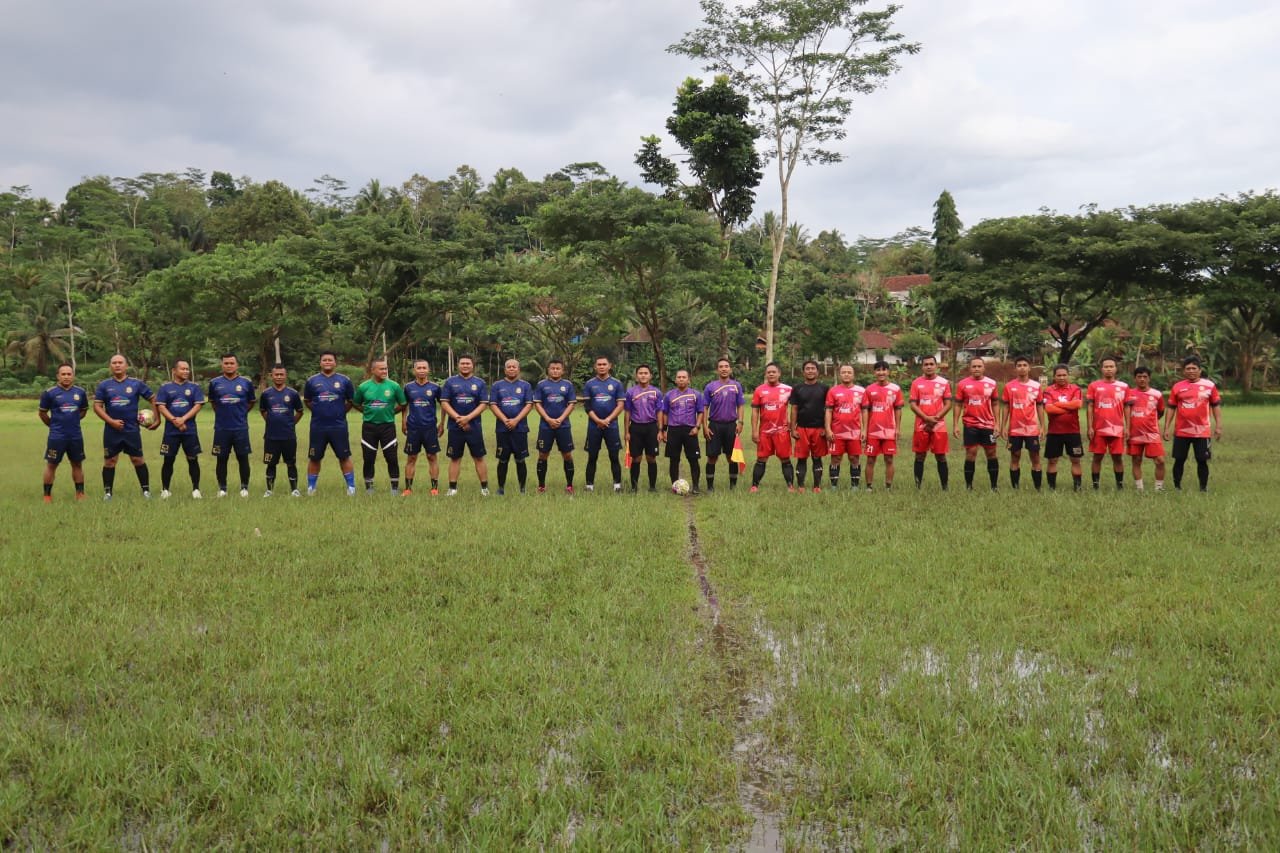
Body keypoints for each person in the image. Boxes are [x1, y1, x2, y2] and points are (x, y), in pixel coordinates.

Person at [92, 353, 158, 500]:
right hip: (111, 430)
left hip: (131, 430)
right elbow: (97, 406)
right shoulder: (104, 385)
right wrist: (111, 421)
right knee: (110, 461)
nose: (117, 365)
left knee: (138, 459)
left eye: (120, 362)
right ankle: (108, 493)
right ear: (110, 366)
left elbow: (154, 399)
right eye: (114, 363)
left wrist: (156, 419)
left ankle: (146, 491)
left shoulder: (136, 384)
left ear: (126, 365)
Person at [1162, 356, 1222, 492]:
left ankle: (1203, 488)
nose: (1191, 371)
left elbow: (1216, 406)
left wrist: (1218, 426)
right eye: (1188, 368)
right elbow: (1171, 408)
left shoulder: (1209, 386)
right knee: (1179, 459)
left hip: (1202, 432)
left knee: (1202, 460)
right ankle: (1177, 487)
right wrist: (1167, 427)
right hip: (1181, 431)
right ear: (1184, 371)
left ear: (1200, 370)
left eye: (1194, 368)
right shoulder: (1177, 387)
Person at [303, 350, 357, 496]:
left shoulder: (344, 380)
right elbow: (307, 401)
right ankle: (311, 488)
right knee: (314, 457)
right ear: (320, 362)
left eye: (330, 360)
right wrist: (319, 411)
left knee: (344, 456)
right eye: (324, 360)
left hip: (338, 426)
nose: (327, 362)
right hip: (318, 426)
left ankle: (351, 487)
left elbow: (351, 401)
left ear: (335, 363)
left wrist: (339, 411)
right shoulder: (312, 381)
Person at [353, 357, 407, 494]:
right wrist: (367, 412)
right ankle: (369, 488)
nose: (384, 371)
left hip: (388, 427)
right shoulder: (364, 386)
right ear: (373, 370)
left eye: (386, 368)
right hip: (369, 428)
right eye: (381, 368)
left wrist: (391, 413)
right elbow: (356, 403)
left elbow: (403, 404)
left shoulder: (394, 386)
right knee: (369, 458)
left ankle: (394, 488)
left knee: (392, 458)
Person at [154, 359, 205, 499]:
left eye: (187, 369)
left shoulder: (194, 387)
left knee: (192, 459)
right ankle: (165, 490)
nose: (186, 371)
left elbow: (197, 405)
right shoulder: (165, 388)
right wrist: (174, 420)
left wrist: (183, 419)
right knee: (168, 459)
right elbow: (161, 406)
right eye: (182, 369)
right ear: (174, 371)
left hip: (189, 430)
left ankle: (196, 489)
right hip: (171, 431)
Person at [38, 362, 89, 502]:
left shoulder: (80, 392)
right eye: (63, 374)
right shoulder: (49, 393)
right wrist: (53, 425)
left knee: (77, 464)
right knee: (51, 464)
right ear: (58, 376)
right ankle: (47, 495)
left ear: (73, 376)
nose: (66, 376)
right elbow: (42, 414)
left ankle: (80, 493)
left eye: (69, 374)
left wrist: (73, 421)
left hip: (75, 436)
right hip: (57, 437)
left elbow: (83, 410)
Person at [208, 353, 256, 497]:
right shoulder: (214, 383)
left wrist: (240, 413)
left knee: (243, 457)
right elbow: (213, 403)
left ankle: (244, 488)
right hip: (222, 428)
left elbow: (251, 402)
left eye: (231, 363)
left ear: (237, 365)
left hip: (240, 428)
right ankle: (222, 488)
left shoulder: (246, 383)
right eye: (226, 363)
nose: (229, 366)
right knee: (221, 458)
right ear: (222, 365)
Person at [440, 354, 490, 496]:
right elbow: (444, 402)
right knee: (455, 458)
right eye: (463, 363)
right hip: (455, 427)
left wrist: (468, 418)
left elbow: (483, 404)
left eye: (468, 363)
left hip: (474, 426)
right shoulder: (450, 382)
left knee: (479, 457)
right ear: (458, 365)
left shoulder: (479, 383)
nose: (465, 366)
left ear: (472, 365)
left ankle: (484, 488)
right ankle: (452, 488)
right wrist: (457, 418)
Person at [488, 357, 533, 495]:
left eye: (514, 367)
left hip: (520, 429)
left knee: (520, 459)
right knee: (503, 459)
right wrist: (505, 420)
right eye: (509, 367)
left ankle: (522, 489)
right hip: (502, 429)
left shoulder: (525, 386)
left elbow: (529, 404)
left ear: (518, 370)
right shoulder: (497, 385)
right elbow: (493, 404)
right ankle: (501, 488)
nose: (512, 369)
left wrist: (516, 420)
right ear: (505, 370)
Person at [953, 356, 999, 490]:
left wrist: (997, 423)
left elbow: (995, 403)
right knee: (971, 453)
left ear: (984, 368)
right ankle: (969, 486)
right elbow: (958, 405)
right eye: (974, 366)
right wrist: (955, 424)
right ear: (970, 368)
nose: (977, 369)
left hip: (988, 425)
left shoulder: (992, 383)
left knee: (991, 453)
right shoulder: (962, 384)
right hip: (970, 424)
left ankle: (994, 486)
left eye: (979, 366)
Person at [259, 363, 304, 497]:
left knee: (291, 463)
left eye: (281, 374)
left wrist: (291, 423)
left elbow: (300, 412)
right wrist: (272, 422)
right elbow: (263, 411)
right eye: (276, 374)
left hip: (288, 436)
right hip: (271, 437)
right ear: (271, 376)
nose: (279, 377)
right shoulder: (266, 394)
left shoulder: (293, 394)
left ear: (285, 376)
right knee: (271, 463)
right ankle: (269, 490)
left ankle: (294, 489)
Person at [582, 356, 626, 493]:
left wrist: (607, 420)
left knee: (614, 456)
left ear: (609, 366)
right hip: (594, 426)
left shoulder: (617, 383)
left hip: (611, 426)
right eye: (599, 364)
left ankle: (617, 485)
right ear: (595, 367)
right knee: (592, 456)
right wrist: (598, 421)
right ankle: (589, 486)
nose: (601, 366)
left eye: (604, 364)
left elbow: (620, 405)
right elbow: (587, 407)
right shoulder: (589, 384)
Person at [534, 359, 577, 494]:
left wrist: (560, 419)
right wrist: (548, 419)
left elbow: (571, 404)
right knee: (543, 454)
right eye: (552, 368)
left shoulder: (567, 385)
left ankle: (569, 485)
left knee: (567, 455)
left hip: (563, 426)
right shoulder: (542, 385)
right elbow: (537, 404)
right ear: (548, 370)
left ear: (563, 371)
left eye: (558, 368)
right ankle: (541, 486)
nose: (555, 371)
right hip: (545, 426)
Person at [1000, 355, 1043, 490]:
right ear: (1015, 369)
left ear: (1029, 368)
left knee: (1035, 456)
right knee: (1015, 456)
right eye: (1019, 365)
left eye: (1025, 365)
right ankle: (1015, 488)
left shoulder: (1036, 386)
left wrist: (1042, 426)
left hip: (1032, 429)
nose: (1022, 368)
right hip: (1015, 429)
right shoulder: (1009, 386)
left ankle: (1037, 488)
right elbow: (1006, 407)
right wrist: (1003, 426)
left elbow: (1040, 406)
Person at [909, 355, 952, 490]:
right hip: (921, 424)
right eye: (926, 364)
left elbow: (948, 403)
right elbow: (912, 404)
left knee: (940, 455)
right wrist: (926, 418)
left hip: (939, 425)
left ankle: (944, 487)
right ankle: (917, 486)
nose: (928, 366)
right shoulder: (916, 383)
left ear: (936, 366)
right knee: (920, 455)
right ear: (922, 367)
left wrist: (936, 418)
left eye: (931, 364)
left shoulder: (944, 383)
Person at [750, 362, 794, 492]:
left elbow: (795, 408)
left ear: (779, 373)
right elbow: (754, 412)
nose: (771, 374)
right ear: (765, 374)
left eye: (774, 372)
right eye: (768, 372)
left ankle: (790, 486)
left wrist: (793, 424)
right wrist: (754, 431)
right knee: (761, 458)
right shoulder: (759, 390)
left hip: (782, 431)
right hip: (765, 432)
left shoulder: (788, 390)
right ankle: (754, 486)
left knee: (785, 458)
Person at [402, 358, 444, 496]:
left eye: (424, 368)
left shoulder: (435, 387)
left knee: (432, 457)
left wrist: (442, 423)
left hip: (430, 428)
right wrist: (403, 421)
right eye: (418, 368)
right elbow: (405, 405)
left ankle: (434, 488)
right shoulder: (408, 387)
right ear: (414, 370)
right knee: (411, 458)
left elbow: (444, 405)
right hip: (413, 428)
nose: (421, 370)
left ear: (428, 370)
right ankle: (408, 489)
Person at [1086, 357, 1129, 490]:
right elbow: (1090, 407)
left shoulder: (1124, 386)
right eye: (1106, 367)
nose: (1109, 369)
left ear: (1116, 369)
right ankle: (1095, 486)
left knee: (1117, 457)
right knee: (1097, 456)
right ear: (1101, 369)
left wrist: (1128, 427)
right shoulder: (1094, 386)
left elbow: (1127, 407)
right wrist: (1089, 427)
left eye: (1111, 366)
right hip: (1099, 429)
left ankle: (1120, 486)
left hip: (1117, 429)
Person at [703, 357, 745, 492]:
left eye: (726, 366)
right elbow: (704, 407)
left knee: (731, 457)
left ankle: (732, 487)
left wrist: (740, 422)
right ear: (717, 370)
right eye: (721, 366)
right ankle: (710, 487)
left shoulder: (736, 385)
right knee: (712, 457)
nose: (724, 369)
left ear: (730, 369)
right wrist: (704, 426)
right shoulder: (710, 386)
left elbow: (740, 405)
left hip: (731, 425)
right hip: (714, 425)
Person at [659, 369, 705, 492]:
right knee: (674, 459)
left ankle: (695, 486)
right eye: (679, 377)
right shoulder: (669, 395)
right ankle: (674, 486)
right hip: (674, 430)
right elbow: (665, 414)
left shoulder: (696, 394)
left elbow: (701, 412)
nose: (681, 379)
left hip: (690, 430)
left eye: (684, 377)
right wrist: (664, 430)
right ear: (675, 380)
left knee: (693, 459)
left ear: (688, 380)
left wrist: (697, 427)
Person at [1040, 364, 1084, 490]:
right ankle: (1051, 488)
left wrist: (1058, 404)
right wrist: (1068, 408)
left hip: (1073, 432)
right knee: (1052, 460)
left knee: (1076, 460)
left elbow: (1077, 404)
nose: (1062, 377)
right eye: (1059, 375)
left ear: (1068, 375)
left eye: (1064, 375)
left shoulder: (1075, 389)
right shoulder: (1048, 390)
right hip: (1054, 432)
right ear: (1054, 377)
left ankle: (1078, 488)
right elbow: (1049, 409)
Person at [861, 360, 904, 490]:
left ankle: (888, 486)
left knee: (889, 459)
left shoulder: (895, 389)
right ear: (874, 372)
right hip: (873, 431)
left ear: (888, 372)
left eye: (884, 370)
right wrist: (864, 430)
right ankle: (869, 487)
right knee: (870, 460)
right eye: (878, 370)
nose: (881, 372)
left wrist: (897, 428)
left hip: (889, 431)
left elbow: (898, 409)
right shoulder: (869, 389)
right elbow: (865, 411)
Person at [789, 359, 829, 492]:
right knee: (801, 458)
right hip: (802, 428)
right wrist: (792, 428)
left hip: (819, 429)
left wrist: (826, 428)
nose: (810, 371)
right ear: (803, 372)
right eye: (807, 368)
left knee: (817, 458)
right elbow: (794, 409)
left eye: (813, 368)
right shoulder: (797, 388)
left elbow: (828, 410)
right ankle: (801, 486)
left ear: (818, 372)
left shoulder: (824, 389)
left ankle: (816, 486)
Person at [824, 363, 865, 490]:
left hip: (855, 432)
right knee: (836, 458)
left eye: (849, 372)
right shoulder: (833, 391)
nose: (846, 374)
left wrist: (864, 430)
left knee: (854, 458)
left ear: (853, 375)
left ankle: (855, 486)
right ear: (839, 374)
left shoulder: (861, 391)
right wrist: (828, 429)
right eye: (843, 372)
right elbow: (829, 411)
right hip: (837, 432)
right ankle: (834, 486)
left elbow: (864, 412)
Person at [1125, 365, 1165, 492]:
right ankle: (1139, 489)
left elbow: (1160, 412)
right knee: (1136, 460)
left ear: (1149, 378)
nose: (1142, 379)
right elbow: (1124, 411)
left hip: (1152, 433)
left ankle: (1159, 489)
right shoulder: (1129, 394)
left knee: (1160, 461)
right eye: (1139, 377)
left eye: (1145, 377)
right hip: (1134, 433)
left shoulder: (1157, 394)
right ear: (1135, 378)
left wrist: (1149, 422)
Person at [623, 364, 662, 492]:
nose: (643, 375)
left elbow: (659, 412)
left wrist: (660, 430)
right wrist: (626, 432)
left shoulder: (656, 392)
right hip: (635, 428)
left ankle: (652, 487)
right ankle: (634, 487)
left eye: (646, 373)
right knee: (636, 457)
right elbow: (627, 412)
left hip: (651, 427)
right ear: (636, 376)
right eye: (640, 373)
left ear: (650, 376)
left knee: (651, 457)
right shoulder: (630, 392)